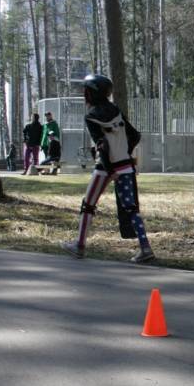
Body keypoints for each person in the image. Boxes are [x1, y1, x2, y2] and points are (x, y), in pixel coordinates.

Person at [61, 74, 155, 264]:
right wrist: (125, 153)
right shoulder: (115, 110)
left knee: (88, 205)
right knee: (131, 208)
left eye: (85, 91)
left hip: (104, 168)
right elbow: (135, 135)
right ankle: (145, 248)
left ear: (91, 93)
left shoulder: (91, 116)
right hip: (125, 166)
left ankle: (79, 245)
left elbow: (102, 145)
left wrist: (109, 167)